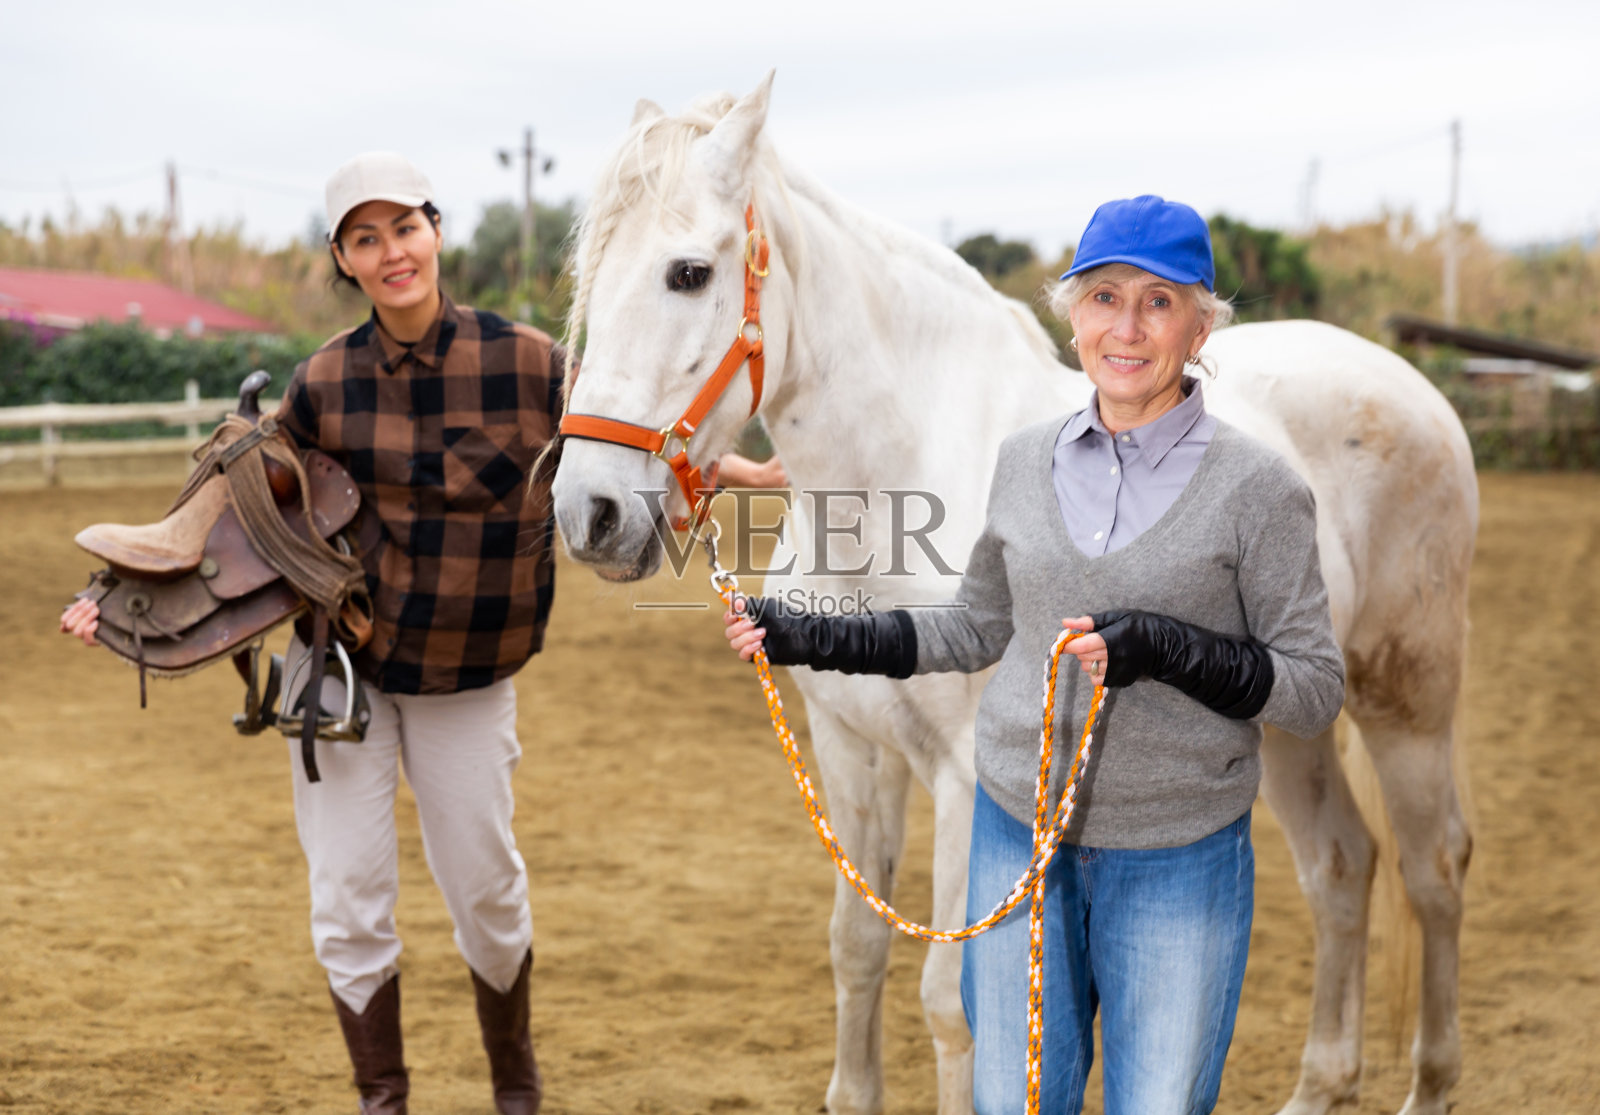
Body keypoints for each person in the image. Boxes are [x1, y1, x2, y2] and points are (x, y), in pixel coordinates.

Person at [723, 195, 1345, 1114]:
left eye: (1159, 302)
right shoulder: (1021, 461)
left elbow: (1314, 692)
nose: (1126, 328)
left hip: (1175, 856)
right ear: (1072, 315)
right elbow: (972, 630)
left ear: (1203, 325)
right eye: (1102, 298)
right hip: (1015, 841)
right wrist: (807, 633)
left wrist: (1179, 651)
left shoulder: (1260, 488)